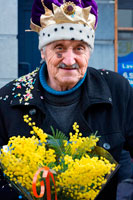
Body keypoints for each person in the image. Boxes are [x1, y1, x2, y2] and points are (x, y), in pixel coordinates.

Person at [0, 0, 133, 199]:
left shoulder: (116, 90)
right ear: (43, 52)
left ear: (89, 52)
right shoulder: (9, 99)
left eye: (79, 48)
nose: (69, 60)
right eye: (59, 48)